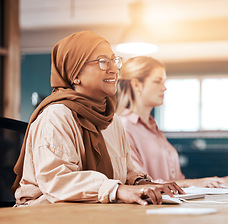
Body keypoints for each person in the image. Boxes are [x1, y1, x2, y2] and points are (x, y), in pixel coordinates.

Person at [12, 31, 183, 206]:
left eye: (114, 61)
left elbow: (126, 171)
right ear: (75, 74)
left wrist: (143, 184)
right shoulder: (57, 115)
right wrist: (117, 189)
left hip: (90, 214)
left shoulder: (111, 119)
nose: (114, 69)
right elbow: (58, 180)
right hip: (44, 215)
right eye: (103, 62)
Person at [116, 56, 228, 188]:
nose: (164, 88)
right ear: (137, 85)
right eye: (157, 81)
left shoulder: (152, 126)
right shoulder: (124, 126)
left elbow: (177, 181)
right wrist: (196, 183)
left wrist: (221, 181)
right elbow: (140, 184)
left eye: (164, 82)